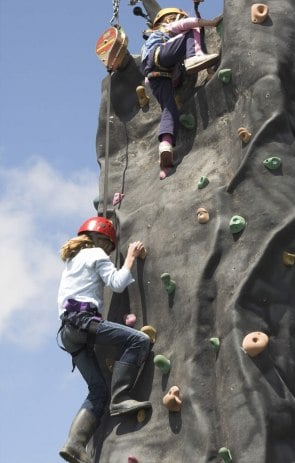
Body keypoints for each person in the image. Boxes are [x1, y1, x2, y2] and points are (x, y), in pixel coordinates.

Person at [57, 216, 152, 463]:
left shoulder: (72, 261)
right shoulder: (96, 255)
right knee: (139, 341)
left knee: (98, 391)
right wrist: (130, 256)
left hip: (68, 333)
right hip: (84, 322)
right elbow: (117, 284)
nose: (110, 252)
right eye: (110, 246)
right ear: (100, 239)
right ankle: (121, 397)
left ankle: (75, 443)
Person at [140, 6, 223, 178]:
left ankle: (166, 145)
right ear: (170, 19)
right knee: (192, 31)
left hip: (156, 76)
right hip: (159, 58)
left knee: (169, 110)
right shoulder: (167, 28)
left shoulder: (148, 45)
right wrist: (212, 23)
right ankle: (195, 56)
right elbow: (191, 23)